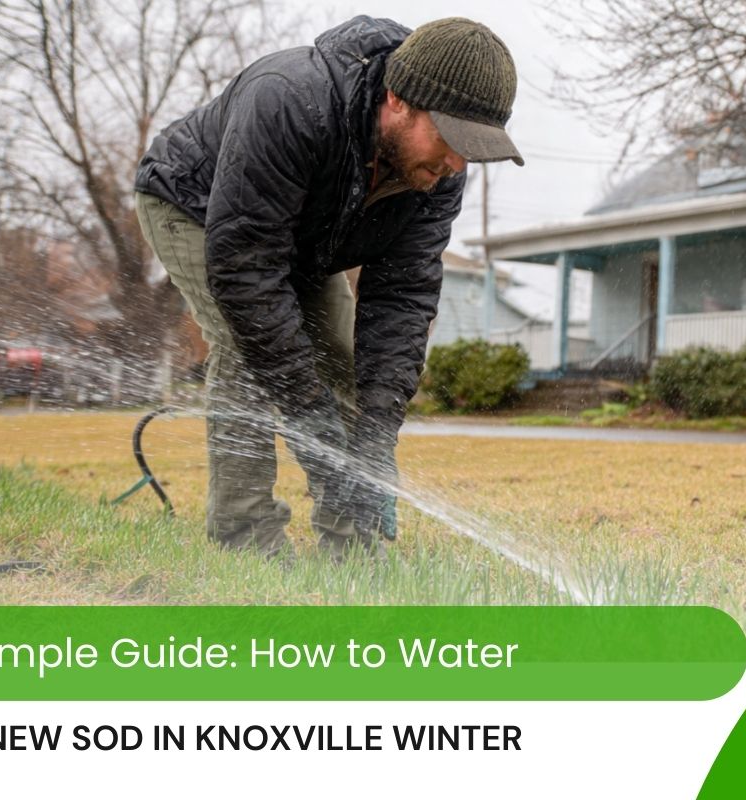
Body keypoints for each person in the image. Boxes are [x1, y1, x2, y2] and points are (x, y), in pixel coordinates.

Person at [134, 16, 523, 559]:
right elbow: (247, 276)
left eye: (473, 148)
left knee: (341, 360)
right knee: (247, 347)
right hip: (194, 204)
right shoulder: (290, 100)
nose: (458, 163)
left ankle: (354, 547)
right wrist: (306, 414)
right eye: (451, 139)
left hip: (304, 238)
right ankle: (245, 543)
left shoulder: (438, 174)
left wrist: (377, 437)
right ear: (399, 100)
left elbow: (403, 299)